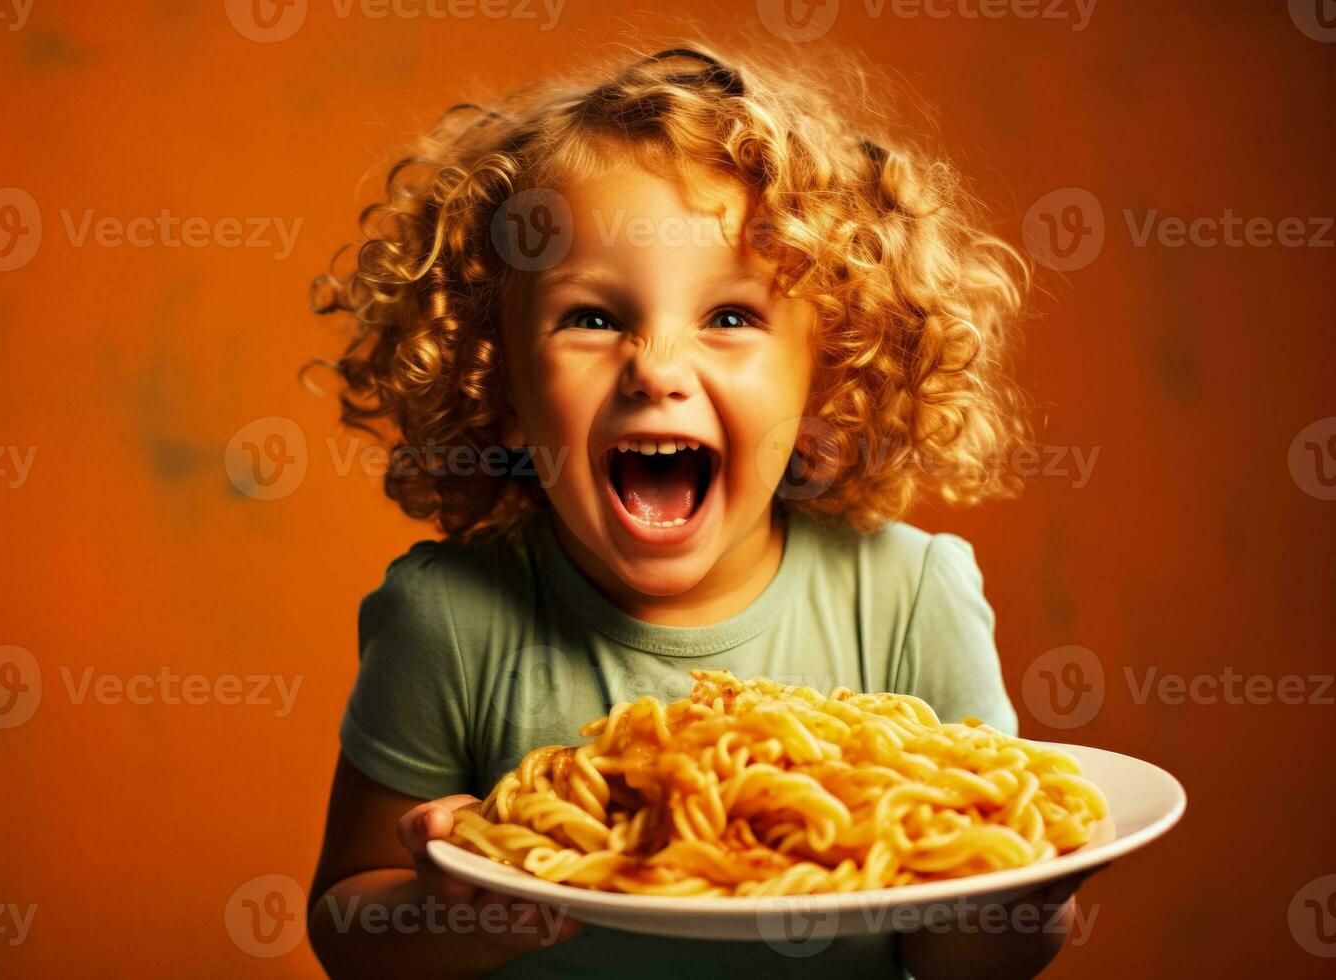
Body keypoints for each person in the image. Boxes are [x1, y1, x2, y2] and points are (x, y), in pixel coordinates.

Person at [307, 39, 1089, 978]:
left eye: (729, 317)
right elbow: (347, 923)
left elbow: (970, 952)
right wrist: (454, 910)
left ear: (828, 381)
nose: (658, 369)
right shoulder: (449, 620)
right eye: (592, 317)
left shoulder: (909, 597)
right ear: (501, 387)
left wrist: (1021, 892)